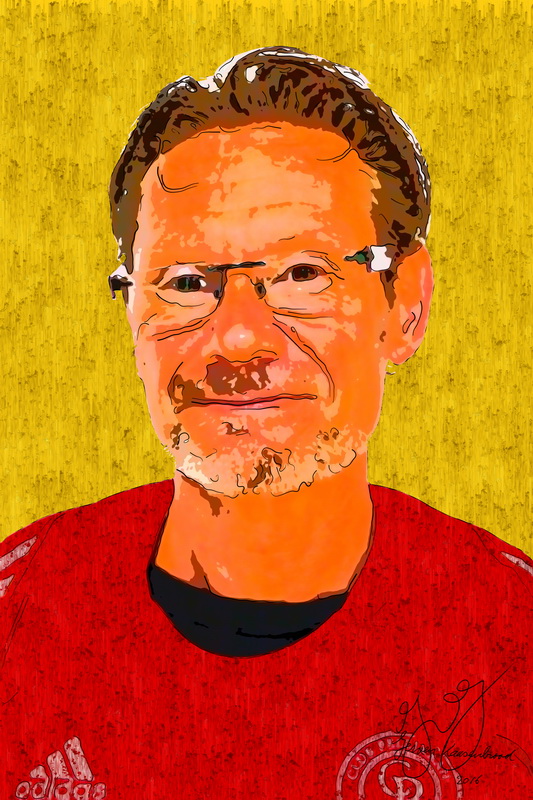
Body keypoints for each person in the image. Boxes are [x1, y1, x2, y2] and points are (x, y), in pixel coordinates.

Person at [1, 47, 531, 800]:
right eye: (187, 283)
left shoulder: (510, 642)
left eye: (301, 274)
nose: (238, 337)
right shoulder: (21, 617)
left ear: (405, 306)